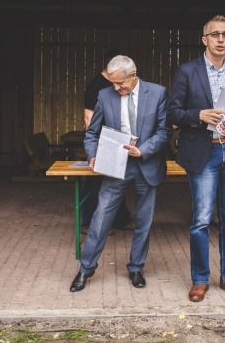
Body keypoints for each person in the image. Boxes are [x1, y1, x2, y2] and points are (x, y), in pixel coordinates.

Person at [168, 15, 225, 303]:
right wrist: (199, 115)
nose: (220, 39)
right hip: (203, 152)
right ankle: (200, 279)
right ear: (204, 39)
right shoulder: (186, 71)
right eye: (215, 34)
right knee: (202, 220)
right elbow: (172, 113)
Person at [70, 55, 172, 292]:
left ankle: (136, 268)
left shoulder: (157, 93)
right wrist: (92, 155)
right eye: (113, 83)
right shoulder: (105, 95)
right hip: (115, 165)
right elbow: (91, 133)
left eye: (120, 83)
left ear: (133, 76)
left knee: (144, 221)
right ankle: (85, 268)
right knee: (100, 219)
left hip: (146, 164)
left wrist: (143, 150)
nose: (116, 88)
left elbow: (164, 131)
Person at [80, 49, 133, 233]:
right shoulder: (96, 86)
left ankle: (121, 219)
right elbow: (88, 118)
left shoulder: (113, 84)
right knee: (95, 183)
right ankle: (87, 223)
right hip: (103, 143)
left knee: (116, 180)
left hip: (115, 141)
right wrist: (97, 148)